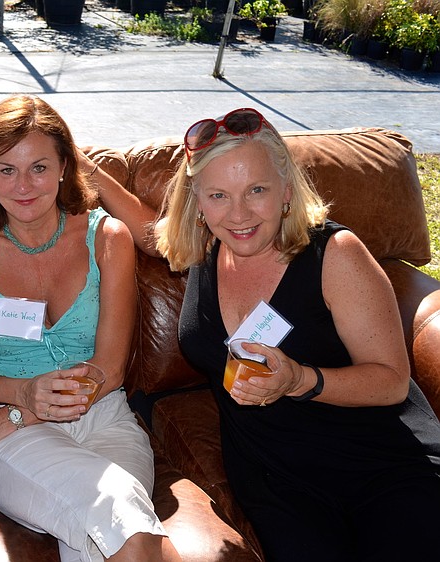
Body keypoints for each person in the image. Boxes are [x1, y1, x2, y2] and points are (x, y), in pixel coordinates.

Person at [152, 107, 440, 561]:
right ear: (198, 201)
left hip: (377, 463)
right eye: (219, 195)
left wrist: (299, 379)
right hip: (275, 476)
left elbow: (390, 381)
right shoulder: (202, 251)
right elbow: (138, 230)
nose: (239, 213)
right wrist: (85, 167)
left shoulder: (334, 255)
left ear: (286, 191)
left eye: (257, 190)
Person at [0, 94, 181, 562]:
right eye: (6, 169)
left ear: (67, 167)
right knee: (122, 518)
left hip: (101, 418)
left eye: (40, 167)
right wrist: (19, 401)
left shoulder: (107, 239)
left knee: (91, 542)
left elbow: (109, 368)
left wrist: (25, 411)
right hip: (8, 429)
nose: (24, 185)